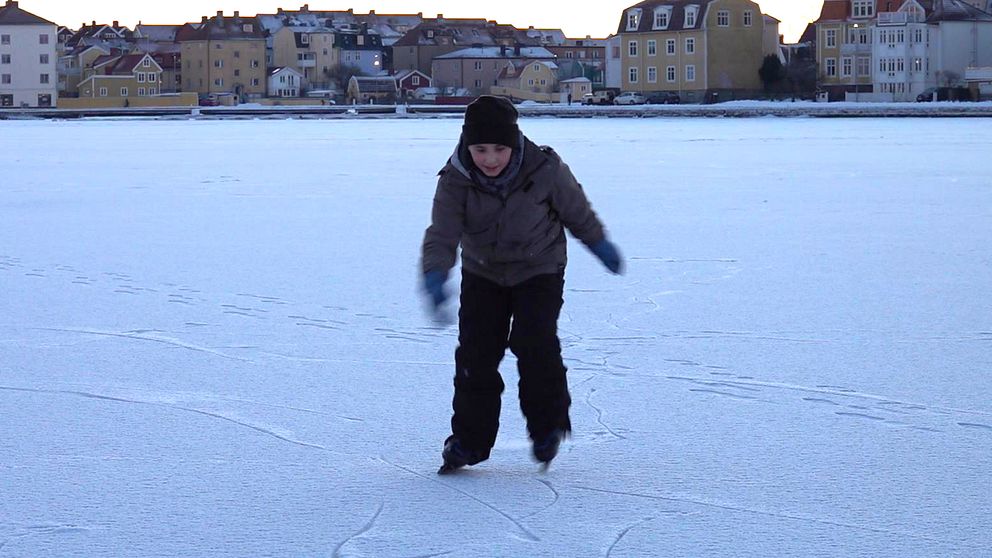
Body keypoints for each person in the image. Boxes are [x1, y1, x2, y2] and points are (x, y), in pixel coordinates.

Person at [420, 95, 623, 474]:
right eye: (480, 149)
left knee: (535, 343)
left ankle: (548, 428)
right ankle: (469, 441)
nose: (490, 159)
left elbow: (576, 211)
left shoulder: (544, 168)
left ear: (514, 143)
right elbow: (442, 232)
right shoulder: (455, 180)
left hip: (539, 269)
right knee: (476, 355)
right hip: (483, 272)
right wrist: (435, 272)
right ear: (467, 145)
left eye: (499, 149)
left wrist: (598, 243)